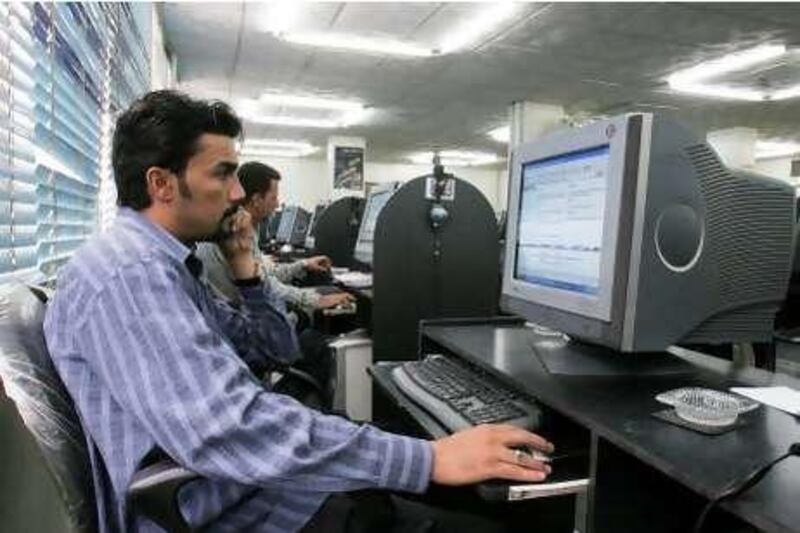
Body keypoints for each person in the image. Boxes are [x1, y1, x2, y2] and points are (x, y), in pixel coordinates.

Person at [44, 90, 554, 532]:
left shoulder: (166, 265)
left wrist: (244, 264)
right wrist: (428, 458)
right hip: (238, 511)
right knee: (480, 515)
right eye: (223, 173)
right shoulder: (129, 276)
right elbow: (229, 429)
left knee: (451, 483)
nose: (239, 192)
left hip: (248, 488)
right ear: (161, 184)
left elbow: (275, 346)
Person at [196, 161, 354, 314]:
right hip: (243, 323)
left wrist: (303, 265)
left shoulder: (242, 227)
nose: (277, 204)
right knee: (312, 323)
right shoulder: (235, 233)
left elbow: (265, 277)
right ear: (257, 200)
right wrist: (317, 300)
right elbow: (266, 287)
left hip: (237, 314)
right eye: (273, 198)